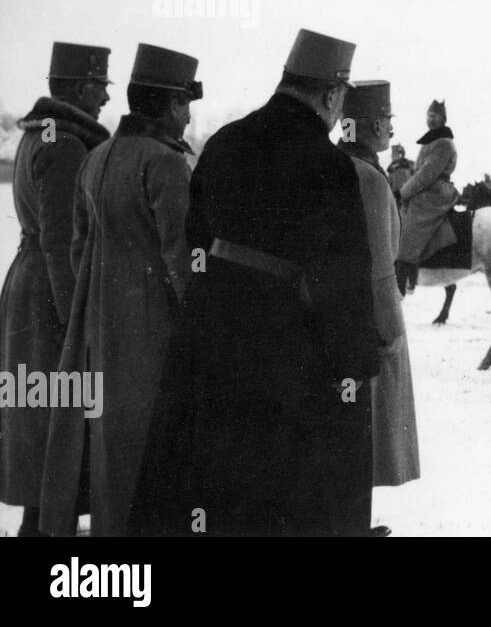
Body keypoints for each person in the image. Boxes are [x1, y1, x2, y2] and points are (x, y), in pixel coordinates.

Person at [134, 28, 379, 537]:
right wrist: (354, 363)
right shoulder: (331, 165)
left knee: (208, 482)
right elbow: (343, 280)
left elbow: (195, 237)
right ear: (331, 94)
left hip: (209, 332)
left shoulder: (223, 142)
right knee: (289, 493)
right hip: (284, 344)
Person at [39, 45, 200, 537]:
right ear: (171, 105)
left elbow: (76, 246)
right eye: (185, 105)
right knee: (153, 448)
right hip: (152, 332)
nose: (188, 116)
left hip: (100, 327)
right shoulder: (166, 163)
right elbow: (181, 258)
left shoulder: (98, 156)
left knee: (109, 442)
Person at [0, 42, 111, 537]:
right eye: (99, 87)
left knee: (36, 415)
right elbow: (61, 238)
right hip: (51, 291)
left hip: (29, 285)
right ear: (79, 87)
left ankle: (40, 523)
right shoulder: (65, 144)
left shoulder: (39, 136)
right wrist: (74, 324)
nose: (105, 99)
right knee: (56, 419)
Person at [339, 81, 420, 532]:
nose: (391, 128)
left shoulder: (339, 165)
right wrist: (392, 329)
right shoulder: (369, 176)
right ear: (374, 124)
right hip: (369, 314)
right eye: (388, 120)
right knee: (368, 422)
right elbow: (381, 266)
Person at [397, 99, 460, 266]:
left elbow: (426, 174)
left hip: (436, 190)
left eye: (435, 116)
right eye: (429, 116)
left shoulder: (443, 143)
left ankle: (405, 261)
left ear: (443, 119)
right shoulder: (432, 141)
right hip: (429, 187)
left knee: (411, 220)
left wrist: (403, 192)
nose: (430, 119)